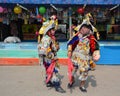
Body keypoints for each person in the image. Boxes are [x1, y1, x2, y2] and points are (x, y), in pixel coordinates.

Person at [67, 22, 100, 92]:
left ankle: (82, 85)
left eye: (85, 28)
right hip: (75, 57)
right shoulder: (77, 36)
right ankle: (71, 81)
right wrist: (69, 51)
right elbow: (70, 43)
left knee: (84, 72)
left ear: (89, 30)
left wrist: (96, 54)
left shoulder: (91, 38)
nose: (83, 29)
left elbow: (95, 48)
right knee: (72, 71)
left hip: (85, 59)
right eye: (82, 27)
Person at [37, 16, 66, 93]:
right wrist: (52, 56)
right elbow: (43, 51)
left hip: (51, 58)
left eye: (54, 30)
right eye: (52, 30)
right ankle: (57, 86)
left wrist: (57, 47)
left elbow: (54, 48)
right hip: (49, 59)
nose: (54, 31)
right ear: (48, 31)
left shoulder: (52, 37)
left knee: (49, 71)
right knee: (53, 72)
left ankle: (48, 82)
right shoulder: (46, 39)